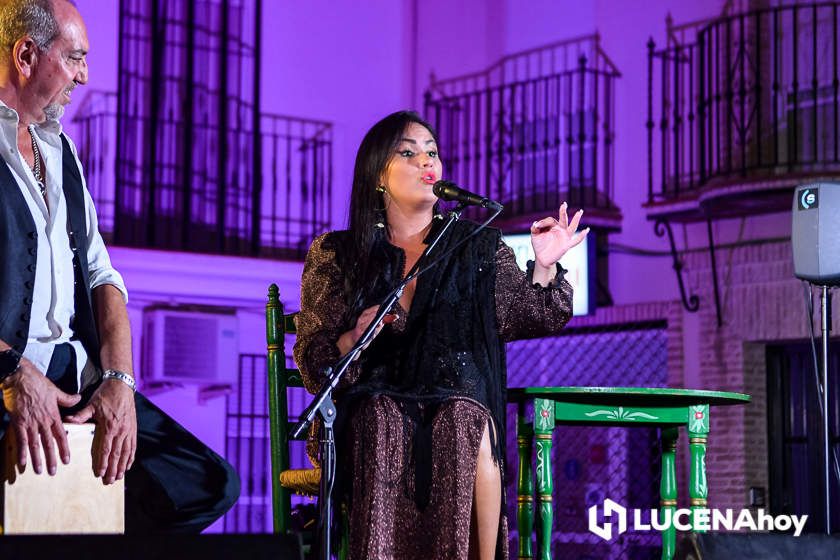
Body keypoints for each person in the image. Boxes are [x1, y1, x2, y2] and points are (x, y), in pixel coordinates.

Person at [294, 110, 588, 559]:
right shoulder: (340, 253)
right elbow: (316, 355)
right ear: (377, 175)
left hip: (457, 402)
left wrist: (544, 264)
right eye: (408, 153)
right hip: (370, 407)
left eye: (431, 152)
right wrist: (354, 334)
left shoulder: (475, 244)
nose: (425, 161)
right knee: (382, 417)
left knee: (463, 419)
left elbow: (530, 314)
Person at [0, 0, 239, 532]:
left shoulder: (60, 149)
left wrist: (119, 380)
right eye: (75, 59)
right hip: (7, 377)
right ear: (26, 55)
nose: (84, 76)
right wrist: (15, 374)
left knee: (205, 484)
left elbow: (102, 274)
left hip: (76, 376)